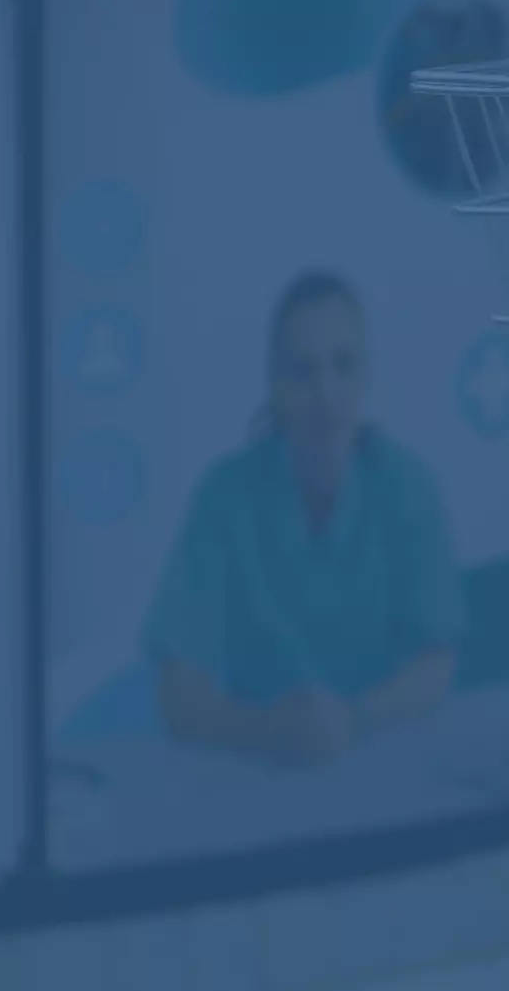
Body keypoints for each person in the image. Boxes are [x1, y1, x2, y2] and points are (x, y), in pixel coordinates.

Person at [146, 272, 465, 769]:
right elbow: (176, 693)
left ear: (367, 373)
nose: (327, 391)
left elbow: (437, 664)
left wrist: (354, 720)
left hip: (384, 760)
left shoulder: (406, 486)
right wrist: (267, 733)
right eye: (303, 370)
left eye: (344, 364)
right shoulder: (224, 496)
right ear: (274, 383)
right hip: (249, 768)